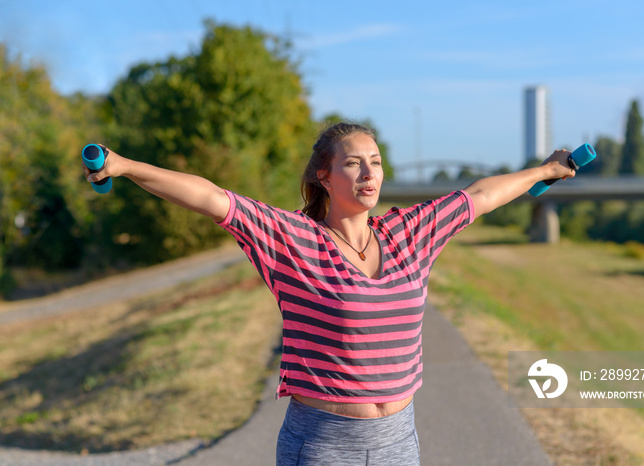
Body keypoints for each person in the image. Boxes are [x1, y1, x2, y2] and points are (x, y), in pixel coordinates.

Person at [83, 122, 575, 465]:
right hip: (322, 445)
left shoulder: (409, 232)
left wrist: (543, 172)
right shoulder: (292, 240)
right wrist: (125, 166)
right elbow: (213, 198)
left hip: (399, 442)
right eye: (354, 164)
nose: (369, 174)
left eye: (376, 163)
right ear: (325, 175)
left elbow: (480, 196)